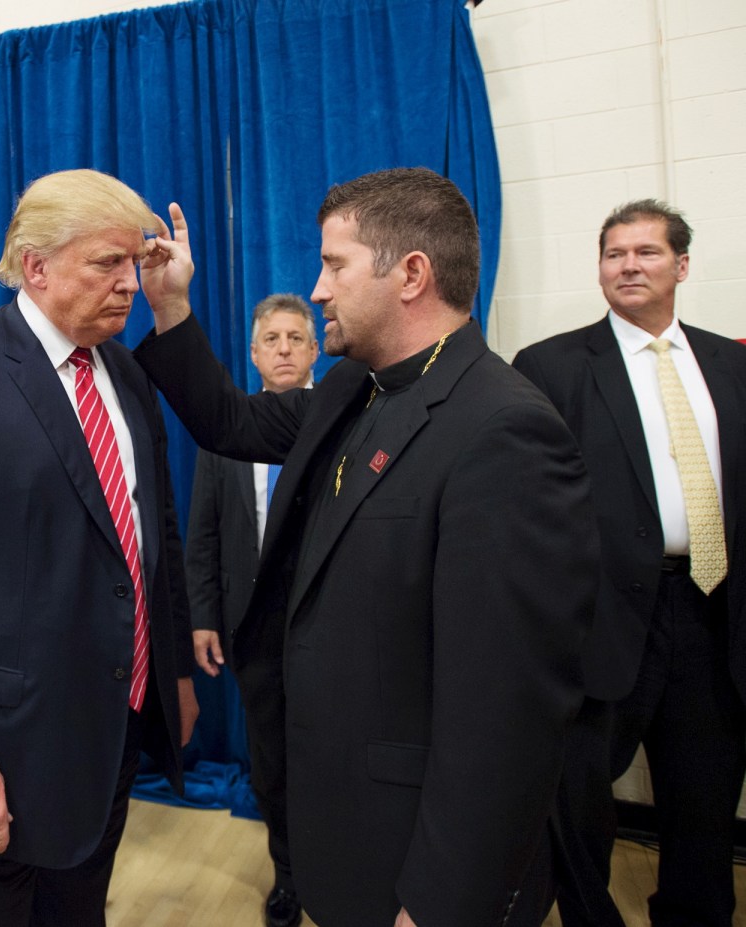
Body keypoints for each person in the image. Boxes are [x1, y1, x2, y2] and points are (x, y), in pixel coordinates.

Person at [132, 167, 597, 926]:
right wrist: (173, 306)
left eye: (334, 265)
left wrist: (443, 899)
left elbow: (504, 716)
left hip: (420, 860)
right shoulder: (357, 387)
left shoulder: (505, 431)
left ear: (411, 273)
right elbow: (230, 424)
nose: (316, 290)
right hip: (346, 824)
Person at [0, 168, 199, 927]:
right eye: (107, 264)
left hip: (108, 726)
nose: (129, 284)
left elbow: (154, 538)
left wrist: (172, 670)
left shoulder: (126, 372)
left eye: (134, 262)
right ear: (36, 265)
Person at [512, 200, 746, 927]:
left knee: (703, 812)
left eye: (646, 252)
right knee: (578, 812)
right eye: (614, 252)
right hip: (600, 623)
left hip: (713, 617)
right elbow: (528, 510)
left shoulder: (731, 362)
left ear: (681, 265)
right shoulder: (549, 366)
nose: (628, 265)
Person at [185, 293, 316, 927]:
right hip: (252, 628)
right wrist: (204, 615)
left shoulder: (346, 418)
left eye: (297, 337)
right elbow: (203, 533)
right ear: (255, 352)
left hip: (331, 629)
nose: (285, 349)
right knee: (272, 762)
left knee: (335, 758)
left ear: (316, 350)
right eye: (273, 339)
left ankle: (345, 869)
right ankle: (289, 876)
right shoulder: (225, 433)